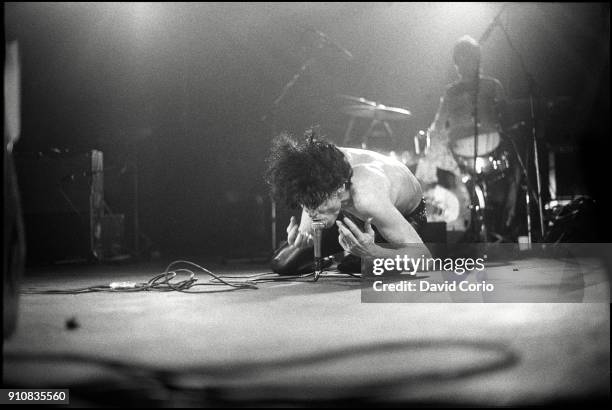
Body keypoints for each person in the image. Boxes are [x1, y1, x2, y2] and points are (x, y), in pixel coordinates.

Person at [266, 131, 430, 275]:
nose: (310, 212)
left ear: (339, 188)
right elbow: (309, 190)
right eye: (305, 204)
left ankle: (358, 257)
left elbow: (424, 259)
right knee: (282, 263)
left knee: (364, 266)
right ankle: (334, 258)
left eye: (315, 204)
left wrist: (373, 252)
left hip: (402, 215)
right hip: (347, 209)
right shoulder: (319, 167)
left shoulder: (368, 195)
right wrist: (305, 230)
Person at [415, 35, 520, 239]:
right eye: (460, 59)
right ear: (456, 63)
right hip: (458, 152)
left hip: (493, 146)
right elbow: (438, 126)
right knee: (432, 166)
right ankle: (451, 227)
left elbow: (508, 118)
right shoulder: (451, 91)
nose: (464, 63)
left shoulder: (492, 86)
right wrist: (432, 145)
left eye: (469, 57)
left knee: (516, 168)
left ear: (478, 59)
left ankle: (506, 222)